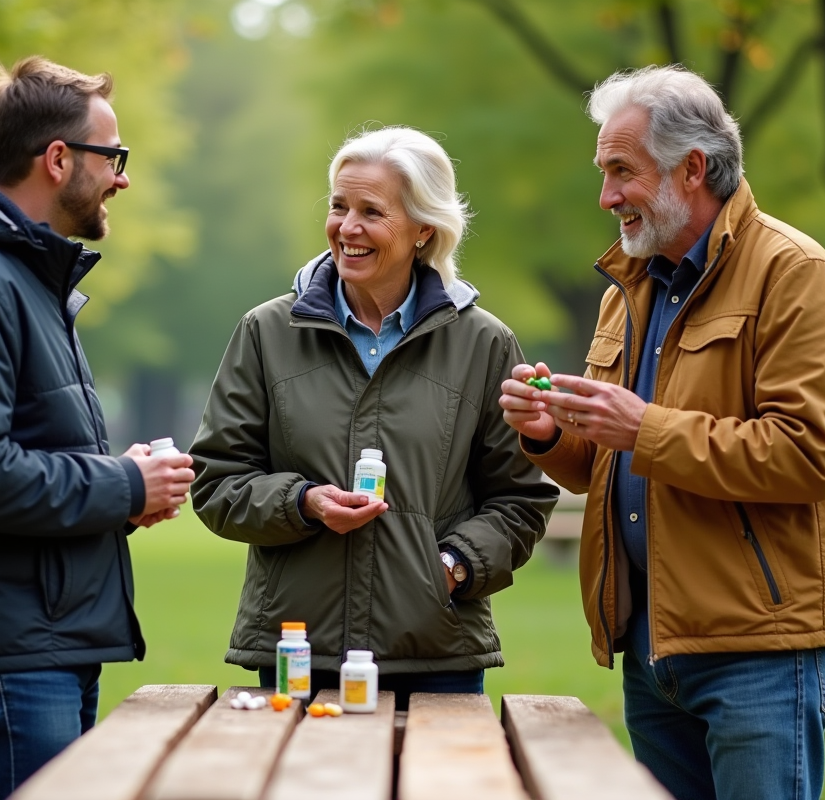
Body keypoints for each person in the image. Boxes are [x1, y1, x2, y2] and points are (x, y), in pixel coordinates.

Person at [499, 66, 825, 800]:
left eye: (620, 172)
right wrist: (548, 435)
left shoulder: (795, 276)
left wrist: (645, 428)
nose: (606, 197)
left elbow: (807, 456)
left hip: (759, 652)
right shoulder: (630, 290)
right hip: (651, 648)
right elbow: (608, 462)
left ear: (691, 168)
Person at [0, 57, 194, 800]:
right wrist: (122, 483)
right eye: (112, 156)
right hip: (6, 651)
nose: (122, 177)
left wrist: (123, 488)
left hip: (41, 640)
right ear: (58, 160)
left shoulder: (22, 278)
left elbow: (22, 452)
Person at [190, 126, 559, 709]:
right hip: (298, 651)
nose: (347, 228)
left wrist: (451, 568)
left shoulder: (484, 345)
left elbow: (520, 500)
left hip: (437, 656)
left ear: (423, 230)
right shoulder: (266, 333)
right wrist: (302, 503)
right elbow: (216, 483)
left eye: (371, 211)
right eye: (339, 207)